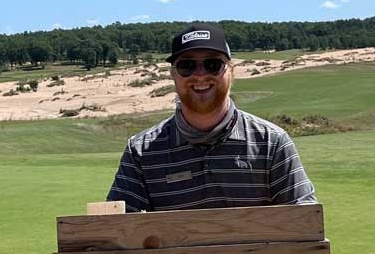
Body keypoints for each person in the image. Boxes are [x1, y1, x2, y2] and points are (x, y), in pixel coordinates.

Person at [107, 23, 317, 212]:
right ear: (173, 74)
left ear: (231, 72)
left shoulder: (272, 142)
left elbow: (305, 222)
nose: (199, 75)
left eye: (213, 65)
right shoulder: (140, 151)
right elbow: (117, 231)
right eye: (186, 66)